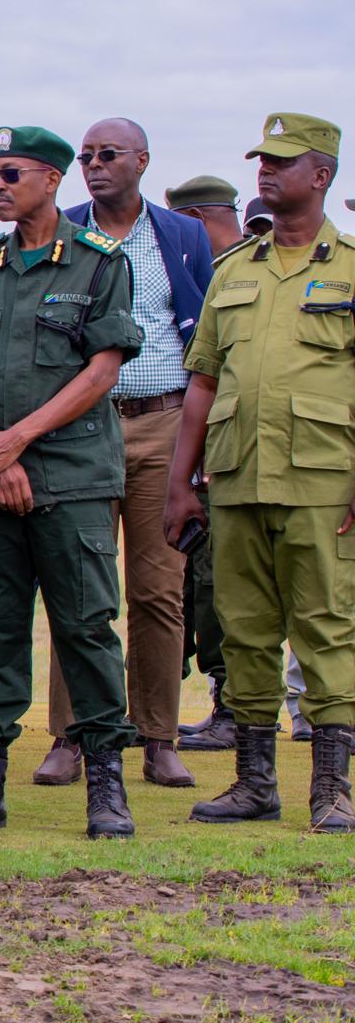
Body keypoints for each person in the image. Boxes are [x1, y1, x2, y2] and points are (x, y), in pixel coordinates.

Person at [0, 125, 143, 840]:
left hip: (71, 478)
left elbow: (103, 369)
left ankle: (105, 782)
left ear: (53, 180)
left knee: (85, 625)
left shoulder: (97, 262)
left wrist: (17, 440)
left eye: (10, 173)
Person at [166, 113, 354, 834]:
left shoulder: (350, 267)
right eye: (262, 163)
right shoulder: (234, 270)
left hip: (323, 482)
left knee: (329, 630)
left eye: (282, 162)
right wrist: (181, 483)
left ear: (322, 176)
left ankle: (332, 789)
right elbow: (204, 383)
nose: (266, 173)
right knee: (243, 631)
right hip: (237, 481)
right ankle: (253, 783)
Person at [26, 121, 213, 791]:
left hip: (162, 422)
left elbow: (203, 338)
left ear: (142, 161)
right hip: (81, 429)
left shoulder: (183, 237)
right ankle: (72, 737)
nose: (95, 166)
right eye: (86, 157)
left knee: (160, 591)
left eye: (109, 155)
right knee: (78, 589)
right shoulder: (62, 229)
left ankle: (157, 737)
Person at [168, 173, 243, 749]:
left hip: (234, 459)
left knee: (223, 589)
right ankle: (229, 703)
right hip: (207, 461)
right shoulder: (218, 274)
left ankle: (237, 710)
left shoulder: (234, 272)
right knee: (204, 585)